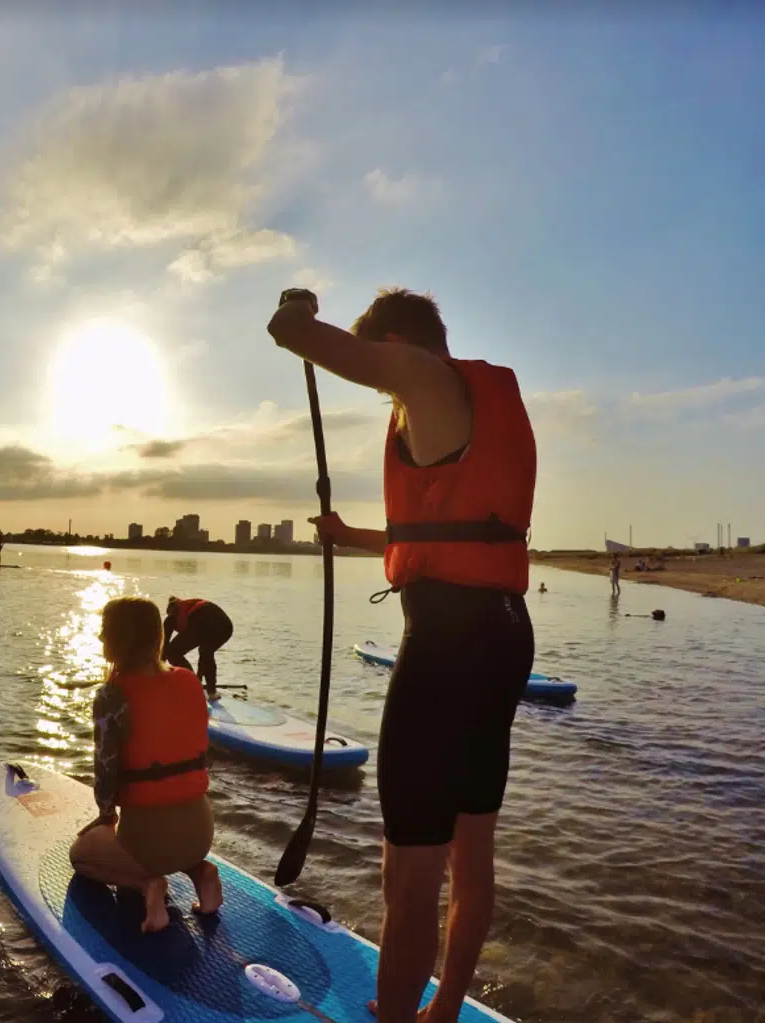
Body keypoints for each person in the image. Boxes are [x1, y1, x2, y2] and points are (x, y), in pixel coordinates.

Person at [268, 286, 535, 1023]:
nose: (384, 387)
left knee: (409, 872)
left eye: (381, 365)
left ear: (397, 344)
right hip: (503, 633)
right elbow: (441, 537)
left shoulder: (423, 375)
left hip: (446, 647)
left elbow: (297, 334)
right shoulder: (474, 401)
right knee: (470, 852)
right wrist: (346, 534)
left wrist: (297, 309)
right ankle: (442, 1009)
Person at [69, 596, 223, 934]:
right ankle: (201, 872)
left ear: (120, 638)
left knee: (80, 856)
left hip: (149, 840)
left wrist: (106, 816)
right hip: (201, 830)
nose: (99, 637)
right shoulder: (189, 680)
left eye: (105, 630)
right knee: (168, 844)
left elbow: (105, 771)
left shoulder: (111, 695)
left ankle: (148, 885)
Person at [163, 597, 234, 696]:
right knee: (206, 652)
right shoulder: (191, 608)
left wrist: (157, 672)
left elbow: (164, 648)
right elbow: (204, 656)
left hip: (207, 619)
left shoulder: (171, 617)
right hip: (226, 626)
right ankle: (211, 692)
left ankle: (193, 684)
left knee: (173, 652)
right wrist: (198, 677)